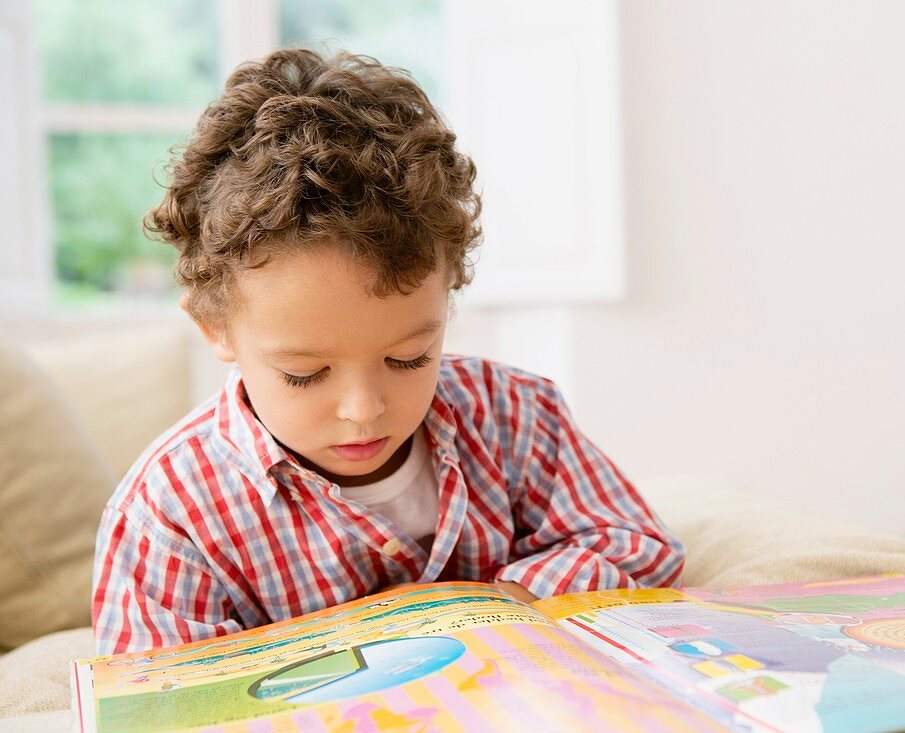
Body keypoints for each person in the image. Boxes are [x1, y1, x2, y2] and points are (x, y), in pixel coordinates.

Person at [91, 48, 685, 655]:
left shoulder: (517, 415)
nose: (364, 408)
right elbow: (156, 694)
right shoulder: (169, 515)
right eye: (306, 373)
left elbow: (636, 544)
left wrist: (510, 602)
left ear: (447, 296)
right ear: (215, 329)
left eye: (409, 358)